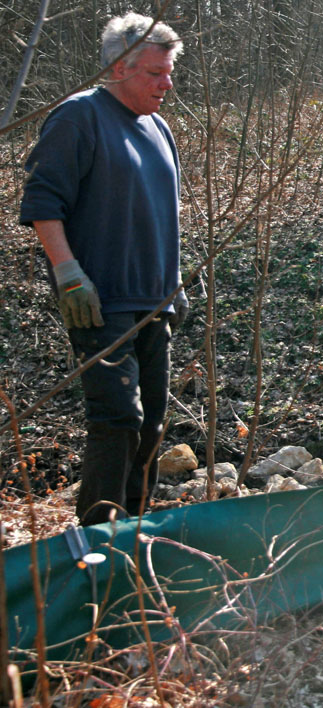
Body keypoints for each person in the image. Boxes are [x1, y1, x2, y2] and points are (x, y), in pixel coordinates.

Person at [20, 13, 187, 526]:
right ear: (118, 68)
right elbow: (43, 201)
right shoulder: (78, 118)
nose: (167, 83)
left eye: (169, 71)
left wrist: (173, 284)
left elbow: (163, 210)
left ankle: (133, 535)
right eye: (155, 73)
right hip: (100, 301)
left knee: (153, 424)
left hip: (154, 302)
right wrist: (68, 273)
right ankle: (96, 543)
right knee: (118, 420)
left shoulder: (158, 127)